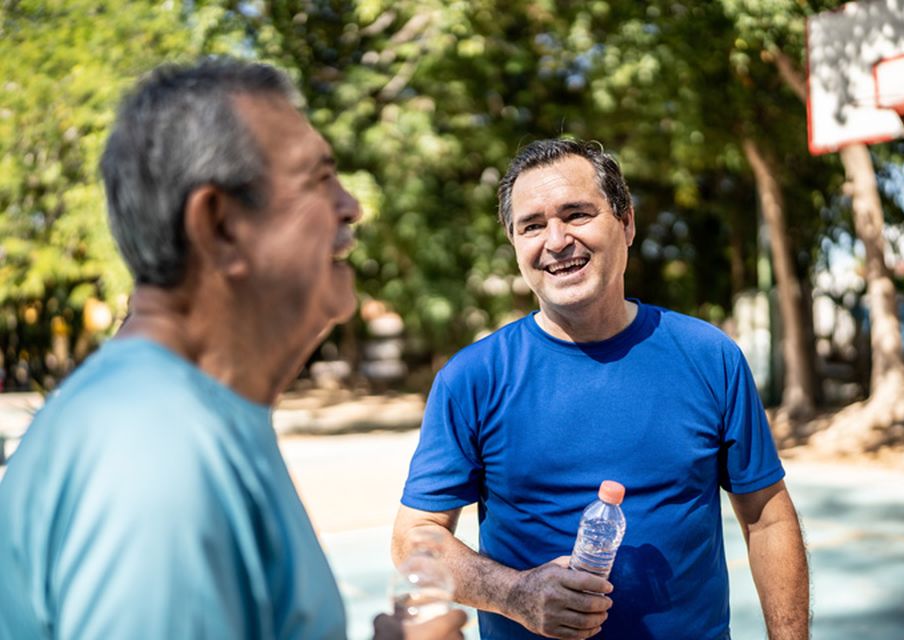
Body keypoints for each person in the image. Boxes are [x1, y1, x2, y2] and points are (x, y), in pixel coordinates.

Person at [0, 59, 465, 640]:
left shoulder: (182, 415)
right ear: (219, 226)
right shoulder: (154, 451)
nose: (351, 206)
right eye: (319, 179)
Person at [393, 139, 809, 639]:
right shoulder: (471, 378)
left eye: (577, 214)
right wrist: (514, 593)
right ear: (514, 244)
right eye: (532, 225)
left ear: (626, 223)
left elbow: (767, 518)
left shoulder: (709, 356)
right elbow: (415, 538)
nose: (556, 239)